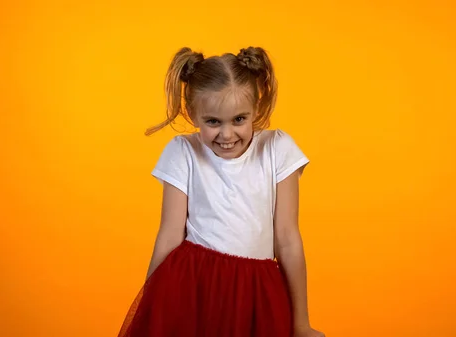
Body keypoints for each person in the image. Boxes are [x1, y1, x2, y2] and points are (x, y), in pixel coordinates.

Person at [117, 46, 324, 337]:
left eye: (239, 119)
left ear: (256, 108)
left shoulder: (278, 149)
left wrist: (301, 324)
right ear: (193, 114)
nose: (227, 135)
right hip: (192, 286)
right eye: (213, 122)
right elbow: (169, 234)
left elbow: (288, 239)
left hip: (257, 293)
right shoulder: (183, 152)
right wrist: (149, 308)